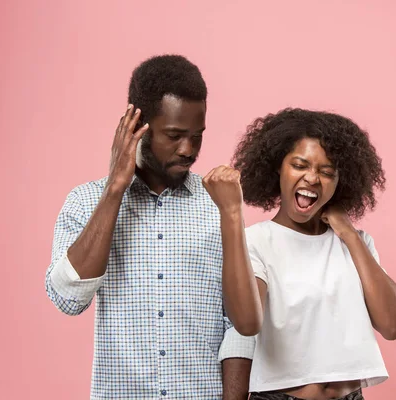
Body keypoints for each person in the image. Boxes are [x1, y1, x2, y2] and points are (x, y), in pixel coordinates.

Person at [45, 54, 252, 400]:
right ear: (136, 126)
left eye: (196, 136)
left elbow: (239, 326)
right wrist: (114, 189)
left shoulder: (219, 204)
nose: (188, 150)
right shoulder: (85, 201)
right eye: (173, 135)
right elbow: (67, 299)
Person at [204, 108, 396, 400]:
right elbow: (247, 323)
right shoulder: (256, 241)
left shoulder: (356, 243)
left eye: (327, 172)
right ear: (279, 167)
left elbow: (393, 325)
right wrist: (232, 214)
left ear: (341, 181)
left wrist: (350, 235)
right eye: (300, 165)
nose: (312, 178)